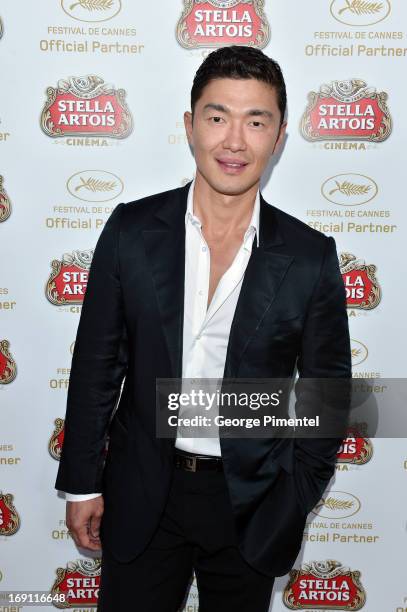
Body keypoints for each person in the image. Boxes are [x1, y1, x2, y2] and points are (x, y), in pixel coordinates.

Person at [55, 45, 351, 612]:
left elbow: (328, 396)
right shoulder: (131, 230)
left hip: (251, 505)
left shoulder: (310, 257)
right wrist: (84, 483)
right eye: (217, 118)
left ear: (280, 135)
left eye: (255, 121)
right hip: (142, 493)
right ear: (190, 126)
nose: (234, 141)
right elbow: (96, 367)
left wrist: (292, 497)